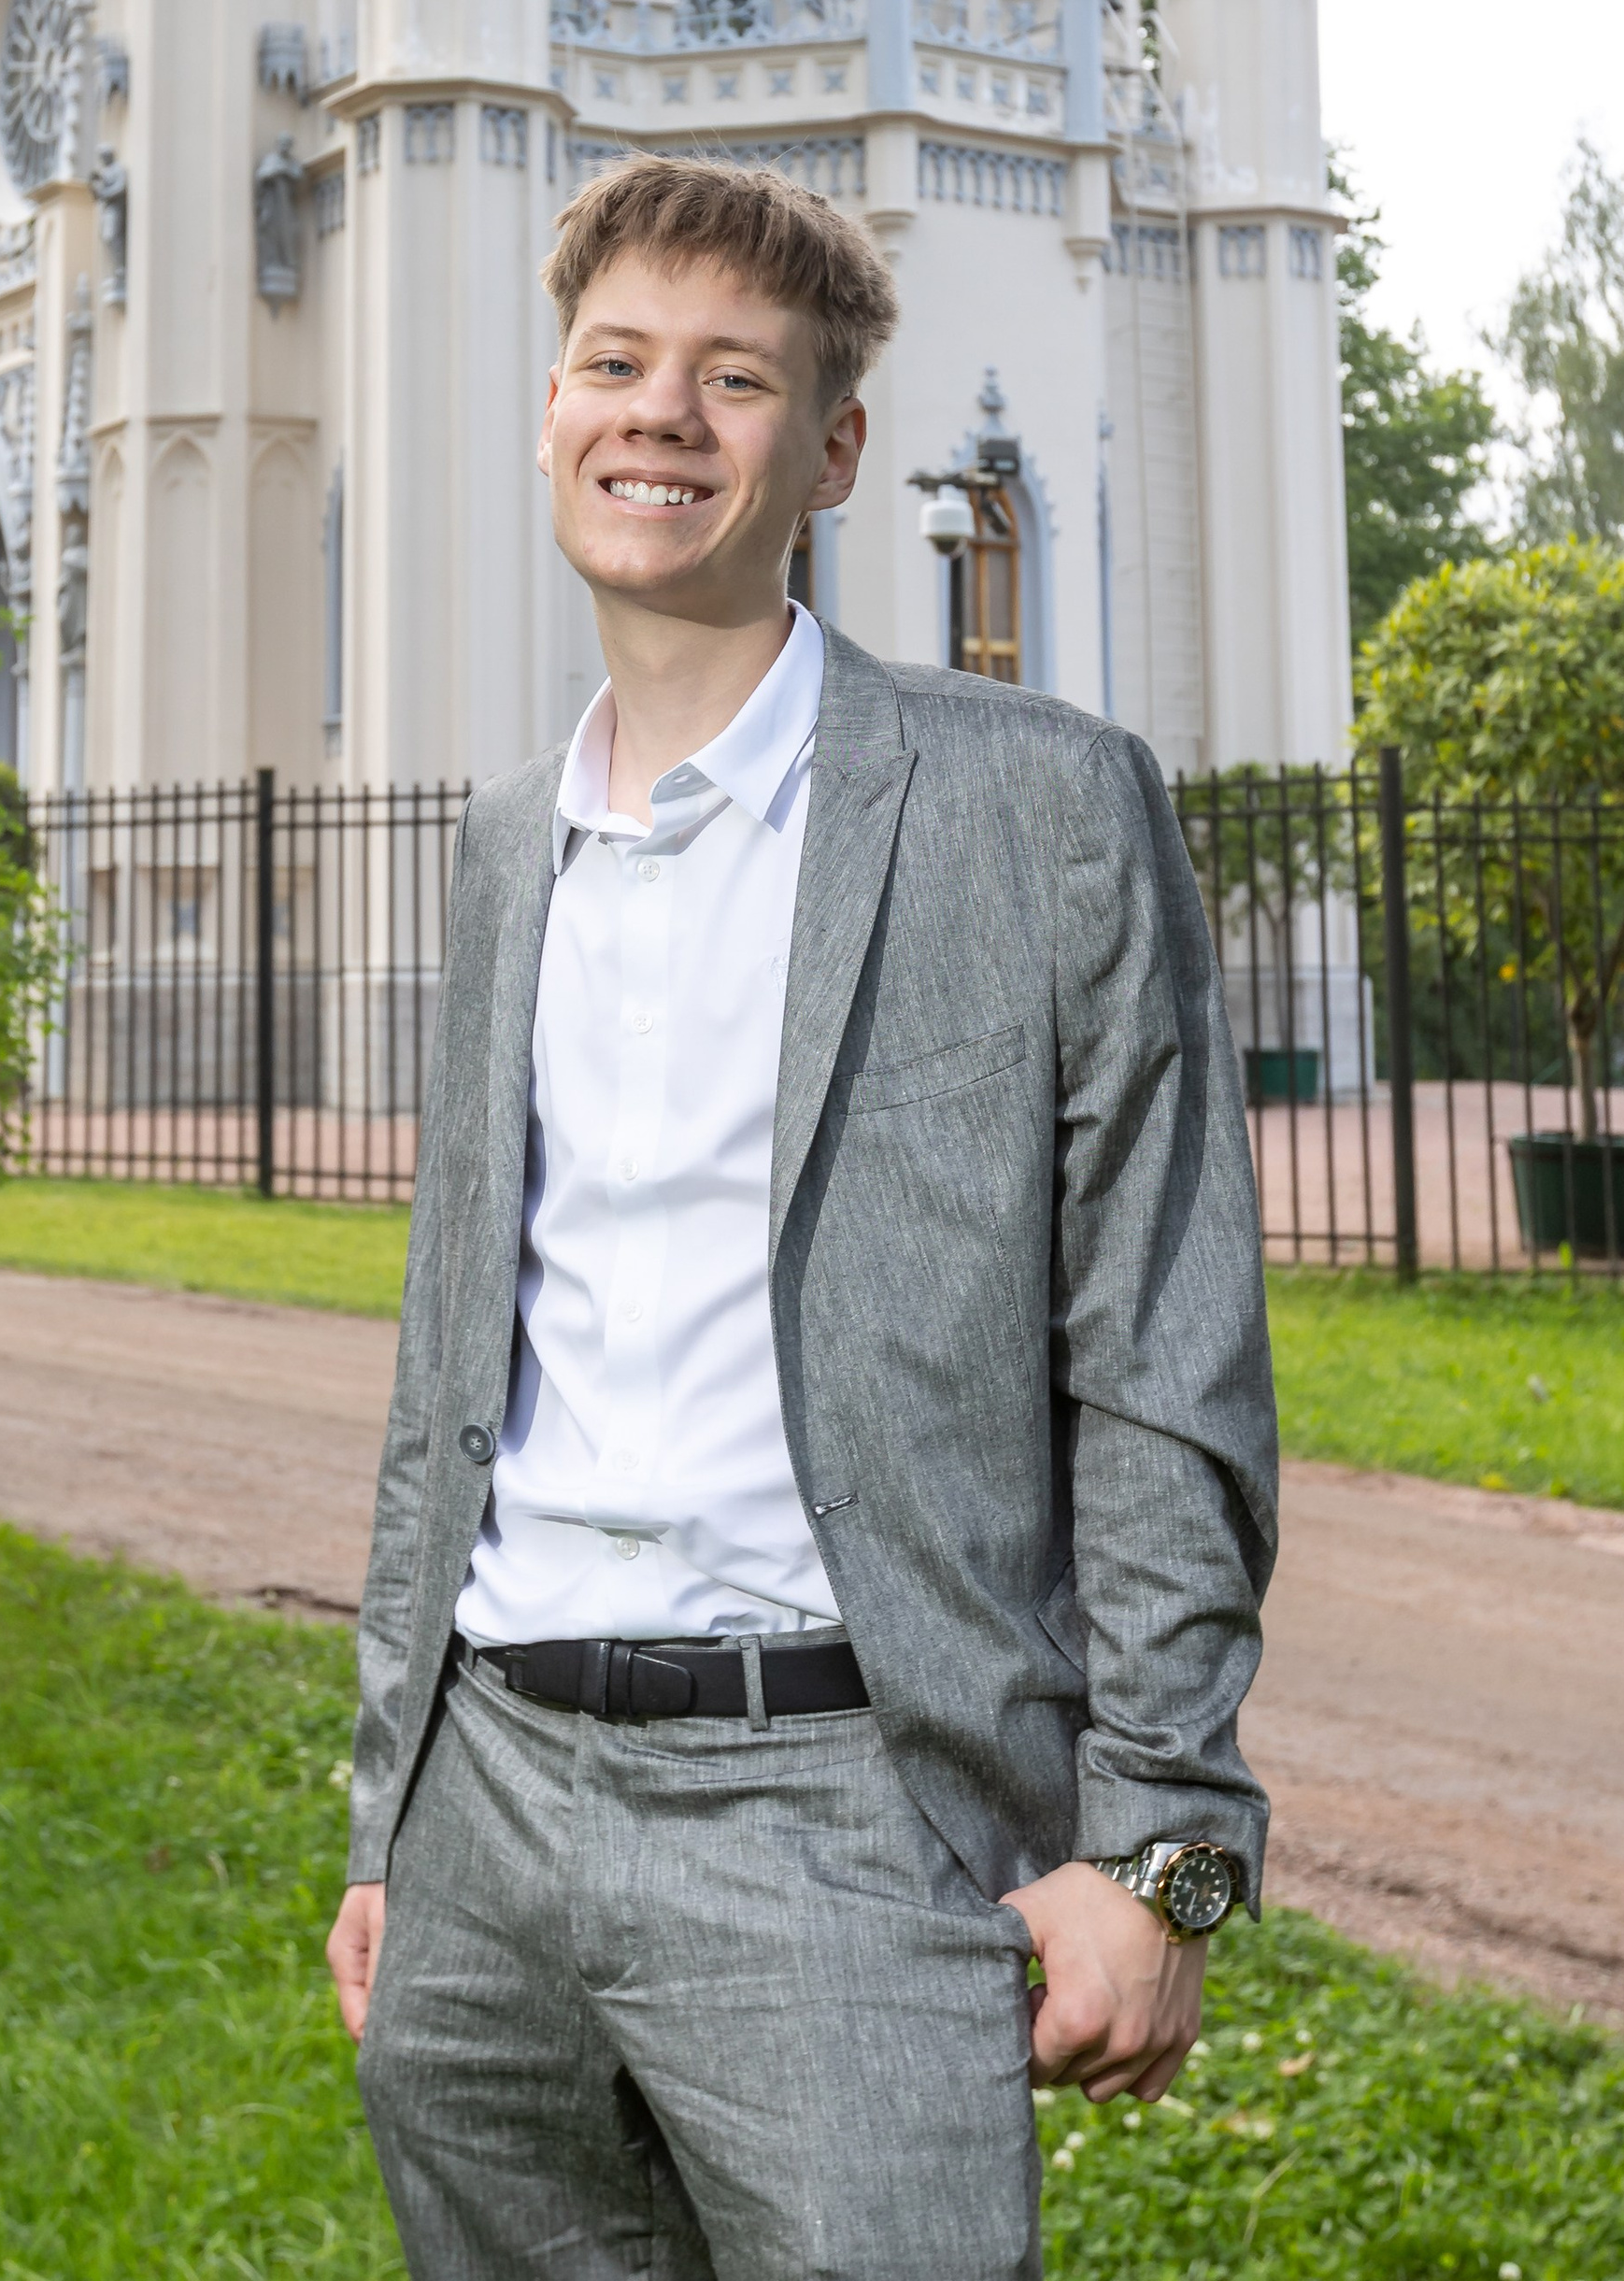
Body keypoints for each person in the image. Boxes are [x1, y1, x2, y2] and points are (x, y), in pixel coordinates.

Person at [327, 154, 1276, 2281]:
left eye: (731, 378)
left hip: (844, 1816)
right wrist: (396, 1805)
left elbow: (1160, 1352)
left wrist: (1162, 1851)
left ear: (830, 447)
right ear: (551, 403)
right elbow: (449, 1359)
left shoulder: (1037, 806)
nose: (657, 415)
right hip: (485, 1822)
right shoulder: (502, 847)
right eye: (613, 362)